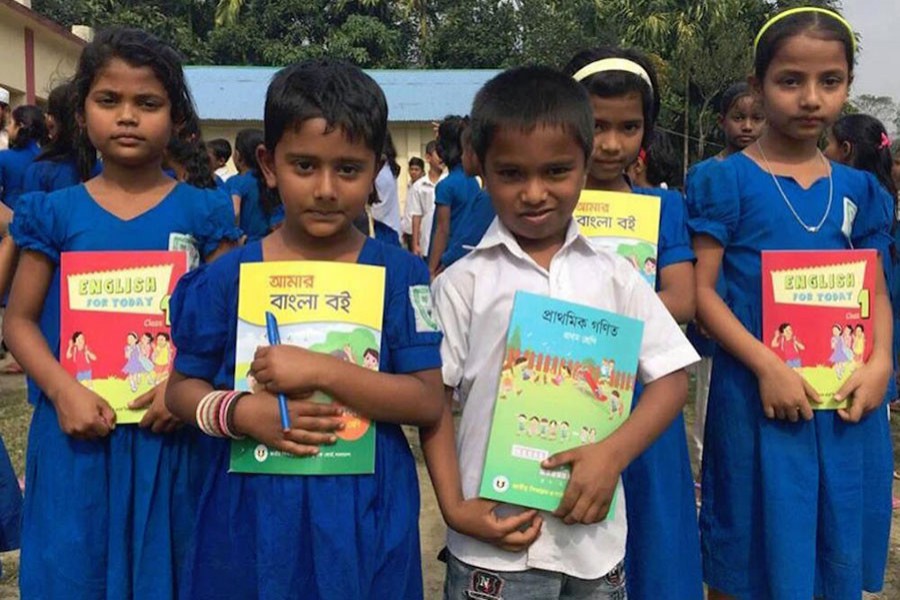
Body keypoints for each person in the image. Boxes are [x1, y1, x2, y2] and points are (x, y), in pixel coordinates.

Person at [164, 58, 444, 600]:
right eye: (304, 165)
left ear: (375, 171)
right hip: (250, 511)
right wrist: (241, 411)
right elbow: (181, 391)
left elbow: (426, 401)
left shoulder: (400, 276)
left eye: (348, 169)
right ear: (269, 165)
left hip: (364, 511)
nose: (325, 188)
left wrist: (320, 369)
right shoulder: (228, 278)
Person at [424, 66, 698, 600]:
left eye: (555, 171)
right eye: (510, 174)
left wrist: (612, 455)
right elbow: (433, 402)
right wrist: (454, 506)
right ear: (481, 169)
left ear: (585, 163)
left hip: (593, 545)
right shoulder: (462, 283)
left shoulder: (617, 275)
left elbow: (671, 380)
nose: (534, 193)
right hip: (494, 545)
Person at [3, 27, 241, 599]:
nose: (128, 116)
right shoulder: (54, 213)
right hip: (78, 438)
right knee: (75, 573)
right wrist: (63, 391)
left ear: (178, 118)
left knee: (178, 572)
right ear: (82, 115)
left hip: (176, 437)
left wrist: (185, 387)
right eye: (109, 100)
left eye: (148, 103)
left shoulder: (206, 213)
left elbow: (236, 321)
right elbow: (18, 320)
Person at [687, 8, 894, 598]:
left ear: (848, 85)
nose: (811, 98)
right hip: (758, 399)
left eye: (829, 81)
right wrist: (766, 365)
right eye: (789, 81)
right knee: (745, 552)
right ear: (758, 86)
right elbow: (703, 292)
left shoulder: (860, 190)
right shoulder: (723, 182)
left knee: (833, 545)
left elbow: (874, 288)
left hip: (842, 407)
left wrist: (879, 362)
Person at [565, 45, 701, 600]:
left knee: (654, 538)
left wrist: (594, 325)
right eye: (596, 126)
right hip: (560, 397)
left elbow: (684, 300)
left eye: (629, 126)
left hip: (647, 403)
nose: (612, 143)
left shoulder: (662, 209)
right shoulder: (542, 203)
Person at [683, 82, 766, 465]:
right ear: (721, 122)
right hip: (716, 301)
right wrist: (704, 302)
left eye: (756, 118)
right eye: (738, 117)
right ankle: (707, 467)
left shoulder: (773, 177)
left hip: (762, 306)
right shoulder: (707, 175)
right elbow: (702, 247)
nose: (747, 126)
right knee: (711, 395)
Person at [427, 115, 495, 276]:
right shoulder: (474, 184)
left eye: (465, 151)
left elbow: (442, 230)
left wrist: (432, 269)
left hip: (452, 263)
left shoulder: (446, 186)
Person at [227, 128, 284, 242]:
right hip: (273, 244)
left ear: (238, 156)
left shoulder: (236, 182)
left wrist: (236, 236)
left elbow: (235, 212)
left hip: (248, 245)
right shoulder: (275, 180)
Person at [0, 105, 46, 221]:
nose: (7, 128)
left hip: (11, 223)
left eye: (11, 123)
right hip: (42, 226)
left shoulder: (4, 157)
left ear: (20, 126)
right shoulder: (48, 159)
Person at [408, 140, 443, 258]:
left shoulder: (448, 182)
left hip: (445, 243)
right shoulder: (419, 186)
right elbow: (416, 216)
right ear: (428, 158)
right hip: (426, 243)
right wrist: (415, 244)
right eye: (438, 154)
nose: (442, 158)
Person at [371, 130, 403, 239]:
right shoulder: (389, 169)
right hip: (392, 227)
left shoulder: (381, 175)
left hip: (384, 230)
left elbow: (379, 209)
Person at [400, 156, 425, 248]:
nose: (413, 172)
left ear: (422, 171)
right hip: (407, 230)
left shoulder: (424, 187)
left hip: (418, 232)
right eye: (411, 169)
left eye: (416, 169)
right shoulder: (410, 185)